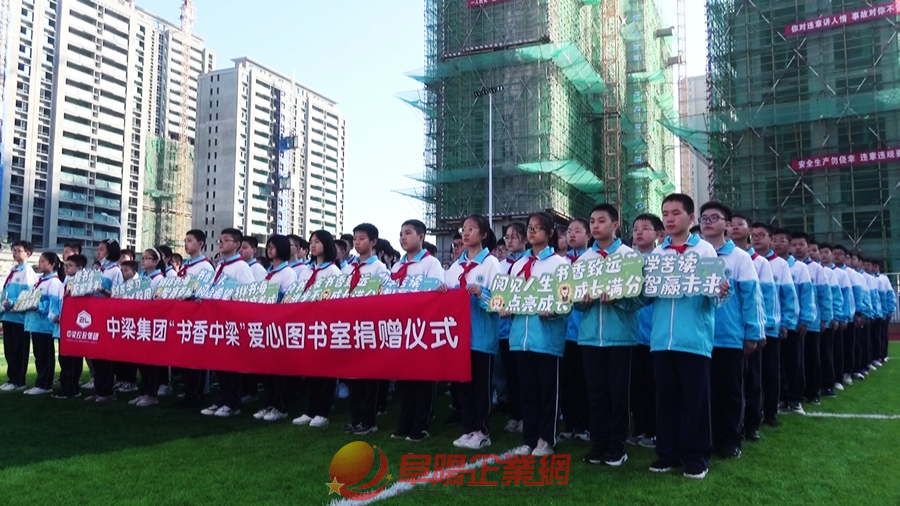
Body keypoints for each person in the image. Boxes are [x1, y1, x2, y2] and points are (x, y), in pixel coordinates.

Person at [647, 194, 728, 480]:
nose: (669, 219)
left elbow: (716, 296)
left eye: (676, 213)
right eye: (665, 213)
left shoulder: (704, 251)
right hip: (662, 340)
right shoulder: (657, 254)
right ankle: (667, 455)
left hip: (694, 339)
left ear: (690, 218)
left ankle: (696, 458)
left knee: (695, 402)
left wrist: (721, 291)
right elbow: (646, 294)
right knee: (666, 400)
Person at [578, 204, 642, 466]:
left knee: (618, 393)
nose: (595, 226)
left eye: (601, 221)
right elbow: (572, 300)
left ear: (615, 225)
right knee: (596, 393)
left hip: (620, 336)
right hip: (590, 336)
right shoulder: (584, 259)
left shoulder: (630, 257)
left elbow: (640, 298)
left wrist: (618, 299)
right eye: (592, 221)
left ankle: (617, 446)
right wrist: (582, 301)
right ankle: (599, 443)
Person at [699, 203, 763, 460]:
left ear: (726, 225)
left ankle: (732, 439)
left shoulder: (739, 258)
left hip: (729, 336)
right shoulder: (696, 255)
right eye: (704, 218)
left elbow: (751, 298)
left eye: (714, 218)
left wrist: (752, 333)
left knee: (731, 391)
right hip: (700, 336)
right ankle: (712, 437)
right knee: (707, 392)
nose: (707, 222)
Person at [505, 212, 569, 458]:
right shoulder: (518, 265)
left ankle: (546, 439)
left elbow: (567, 300)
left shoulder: (559, 264)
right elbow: (509, 297)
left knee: (547, 391)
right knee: (527, 391)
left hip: (546, 339)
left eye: (537, 228)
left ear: (550, 233)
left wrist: (554, 310)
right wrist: (506, 308)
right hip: (520, 338)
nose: (531, 232)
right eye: (530, 228)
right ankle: (529, 438)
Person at [388, 219, 446, 442]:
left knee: (422, 379)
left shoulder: (431, 264)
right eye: (401, 233)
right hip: (400, 329)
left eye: (408, 233)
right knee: (405, 380)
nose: (403, 237)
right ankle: (405, 423)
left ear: (421, 237)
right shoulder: (397, 267)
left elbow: (436, 297)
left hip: (422, 329)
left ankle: (421, 425)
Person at [446, 215, 500, 450]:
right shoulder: (456, 267)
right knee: (463, 386)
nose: (466, 233)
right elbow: (446, 301)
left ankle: (482, 430)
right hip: (458, 338)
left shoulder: (490, 264)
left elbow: (499, 301)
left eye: (472, 229)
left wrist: (482, 293)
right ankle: (469, 428)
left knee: (481, 386)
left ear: (484, 234)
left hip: (481, 336)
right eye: (464, 229)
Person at [730, 213, 777, 442]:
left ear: (748, 230)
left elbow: (765, 298)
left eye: (740, 225)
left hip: (751, 330)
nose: (735, 228)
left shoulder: (759, 262)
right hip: (728, 332)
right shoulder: (716, 257)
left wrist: (762, 329)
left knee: (752, 378)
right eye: (732, 224)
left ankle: (751, 423)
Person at [200, 228, 254, 418]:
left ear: (237, 244)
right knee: (220, 363)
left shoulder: (241, 267)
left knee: (232, 364)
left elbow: (248, 294)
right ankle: (221, 399)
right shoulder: (220, 266)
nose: (221, 243)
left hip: (232, 322)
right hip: (218, 321)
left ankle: (233, 403)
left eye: (226, 240)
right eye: (220, 240)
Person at [291, 230, 343, 428]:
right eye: (311, 241)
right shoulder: (307, 270)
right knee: (311, 369)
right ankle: (310, 410)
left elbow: (336, 300)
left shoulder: (333, 271)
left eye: (317, 242)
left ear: (327, 245)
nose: (313, 245)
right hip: (308, 325)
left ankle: (323, 411)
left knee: (326, 371)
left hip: (325, 326)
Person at [341, 223, 390, 435]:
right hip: (349, 328)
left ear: (373, 242)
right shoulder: (348, 269)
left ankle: (369, 420)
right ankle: (356, 419)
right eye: (355, 239)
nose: (357, 242)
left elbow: (384, 297)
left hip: (368, 328)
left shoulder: (379, 269)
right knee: (353, 378)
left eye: (361, 239)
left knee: (369, 377)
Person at [750, 222, 797, 427]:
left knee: (771, 371)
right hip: (751, 327)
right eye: (753, 235)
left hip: (771, 326)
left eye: (761, 235)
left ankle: (770, 412)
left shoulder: (780, 264)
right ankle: (754, 411)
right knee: (753, 374)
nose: (756, 239)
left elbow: (787, 296)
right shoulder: (747, 259)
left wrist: (785, 322)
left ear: (770, 239)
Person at [252, 235, 299, 423]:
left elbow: (289, 299)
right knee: (267, 369)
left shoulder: (288, 273)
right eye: (268, 246)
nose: (270, 249)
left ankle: (280, 406)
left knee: (279, 370)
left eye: (274, 246)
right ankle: (269, 403)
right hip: (265, 326)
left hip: (279, 327)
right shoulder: (267, 273)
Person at [629, 213, 664, 448]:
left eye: (645, 228)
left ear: (658, 234)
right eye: (635, 229)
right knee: (636, 385)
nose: (639, 232)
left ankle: (654, 430)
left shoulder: (663, 260)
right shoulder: (627, 261)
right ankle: (639, 428)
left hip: (655, 334)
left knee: (654, 385)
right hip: (632, 334)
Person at [772, 229, 815, 414]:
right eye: (774, 240)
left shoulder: (799, 268)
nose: (777, 244)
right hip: (774, 323)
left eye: (782, 241)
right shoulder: (768, 264)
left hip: (793, 323)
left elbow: (806, 295)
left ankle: (796, 399)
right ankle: (781, 398)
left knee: (795, 362)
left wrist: (805, 320)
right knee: (777, 364)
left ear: (788, 245)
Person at [559, 218, 590, 443]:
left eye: (577, 231)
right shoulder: (560, 263)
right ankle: (570, 423)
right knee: (567, 381)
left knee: (585, 381)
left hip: (586, 332)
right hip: (564, 332)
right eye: (569, 231)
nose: (571, 235)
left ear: (588, 235)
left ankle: (586, 425)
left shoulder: (594, 261)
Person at [791, 233, 831, 406]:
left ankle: (813, 392)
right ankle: (796, 393)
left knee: (812, 358)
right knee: (795, 361)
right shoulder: (787, 266)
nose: (797, 248)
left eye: (801, 244)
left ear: (807, 247)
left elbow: (824, 295)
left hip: (813, 322)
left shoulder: (817, 269)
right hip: (793, 322)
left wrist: (825, 318)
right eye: (794, 245)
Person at [178, 230, 215, 408]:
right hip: (185, 317)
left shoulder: (205, 267)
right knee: (186, 358)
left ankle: (197, 395)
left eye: (190, 240)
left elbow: (204, 294)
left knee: (196, 358)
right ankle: (188, 393)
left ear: (200, 244)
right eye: (185, 240)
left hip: (197, 318)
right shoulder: (186, 266)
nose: (186, 244)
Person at [129, 248, 168, 408]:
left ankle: (151, 394)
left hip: (152, 323)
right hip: (141, 323)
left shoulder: (160, 279)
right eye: (143, 258)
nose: (143, 260)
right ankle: (143, 391)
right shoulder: (142, 278)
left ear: (156, 261)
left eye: (147, 258)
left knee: (151, 361)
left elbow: (160, 301)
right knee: (141, 360)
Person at [498, 222, 527, 435]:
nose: (509, 240)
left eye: (514, 236)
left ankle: (526, 416)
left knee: (525, 377)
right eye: (507, 237)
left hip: (523, 329)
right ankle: (514, 415)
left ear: (525, 239)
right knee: (511, 376)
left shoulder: (529, 263)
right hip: (504, 330)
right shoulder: (500, 266)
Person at [21, 252, 64, 396]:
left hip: (45, 325)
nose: (40, 264)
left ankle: (45, 384)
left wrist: (37, 307)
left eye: (43, 261)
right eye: (40, 261)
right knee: (39, 356)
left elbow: (53, 306)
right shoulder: (40, 281)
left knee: (45, 356)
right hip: (35, 323)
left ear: (52, 264)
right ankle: (40, 383)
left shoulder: (54, 283)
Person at [87, 239, 124, 403]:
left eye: (101, 250)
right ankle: (99, 388)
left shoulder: (115, 271)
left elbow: (119, 294)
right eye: (98, 250)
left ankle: (107, 391)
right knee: (95, 354)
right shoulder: (98, 270)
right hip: (94, 315)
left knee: (105, 355)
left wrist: (103, 291)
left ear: (110, 252)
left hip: (107, 316)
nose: (98, 253)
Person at [0, 241, 38, 392]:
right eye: (13, 250)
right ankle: (12, 379)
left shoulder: (27, 272)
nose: (14, 253)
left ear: (27, 253)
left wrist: (13, 303)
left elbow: (29, 295)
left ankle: (19, 381)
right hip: (8, 316)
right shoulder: (13, 271)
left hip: (20, 318)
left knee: (19, 350)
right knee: (9, 350)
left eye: (18, 250)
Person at [52, 254, 87, 399]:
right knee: (64, 359)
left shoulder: (83, 282)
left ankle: (71, 388)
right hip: (63, 326)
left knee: (72, 360)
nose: (66, 268)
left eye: (70, 266)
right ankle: (66, 386)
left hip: (74, 327)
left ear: (80, 268)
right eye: (65, 265)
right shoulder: (66, 281)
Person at [819, 243, 854, 393]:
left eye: (827, 252)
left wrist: (842, 317)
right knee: (822, 352)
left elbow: (844, 297)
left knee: (837, 349)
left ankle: (838, 378)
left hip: (835, 317)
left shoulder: (840, 274)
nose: (824, 255)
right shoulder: (816, 270)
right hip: (821, 318)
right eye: (821, 252)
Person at [810, 241, 842, 398]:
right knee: (811, 357)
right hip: (808, 322)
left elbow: (832, 296)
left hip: (823, 320)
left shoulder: (827, 272)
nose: (813, 253)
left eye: (815, 250)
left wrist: (830, 317)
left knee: (826, 353)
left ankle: (828, 384)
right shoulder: (796, 268)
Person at [833, 245, 868, 384]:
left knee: (849, 345)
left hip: (849, 315)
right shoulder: (827, 271)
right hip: (834, 316)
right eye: (834, 253)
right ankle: (837, 373)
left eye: (840, 254)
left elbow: (857, 295)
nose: (836, 256)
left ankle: (849, 371)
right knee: (836, 348)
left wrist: (859, 312)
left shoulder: (850, 274)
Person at [113, 260, 141, 394]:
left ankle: (131, 381)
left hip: (133, 323)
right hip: (122, 322)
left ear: (134, 271)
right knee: (120, 353)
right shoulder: (122, 284)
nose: (123, 273)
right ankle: (122, 379)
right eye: (122, 270)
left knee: (131, 354)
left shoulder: (139, 284)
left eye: (126, 271)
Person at [874, 261, 895, 363]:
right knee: (875, 335)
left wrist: (890, 309)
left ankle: (883, 354)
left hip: (883, 311)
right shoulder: (867, 278)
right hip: (875, 312)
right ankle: (876, 355)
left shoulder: (883, 278)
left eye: (874, 266)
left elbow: (890, 295)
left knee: (883, 334)